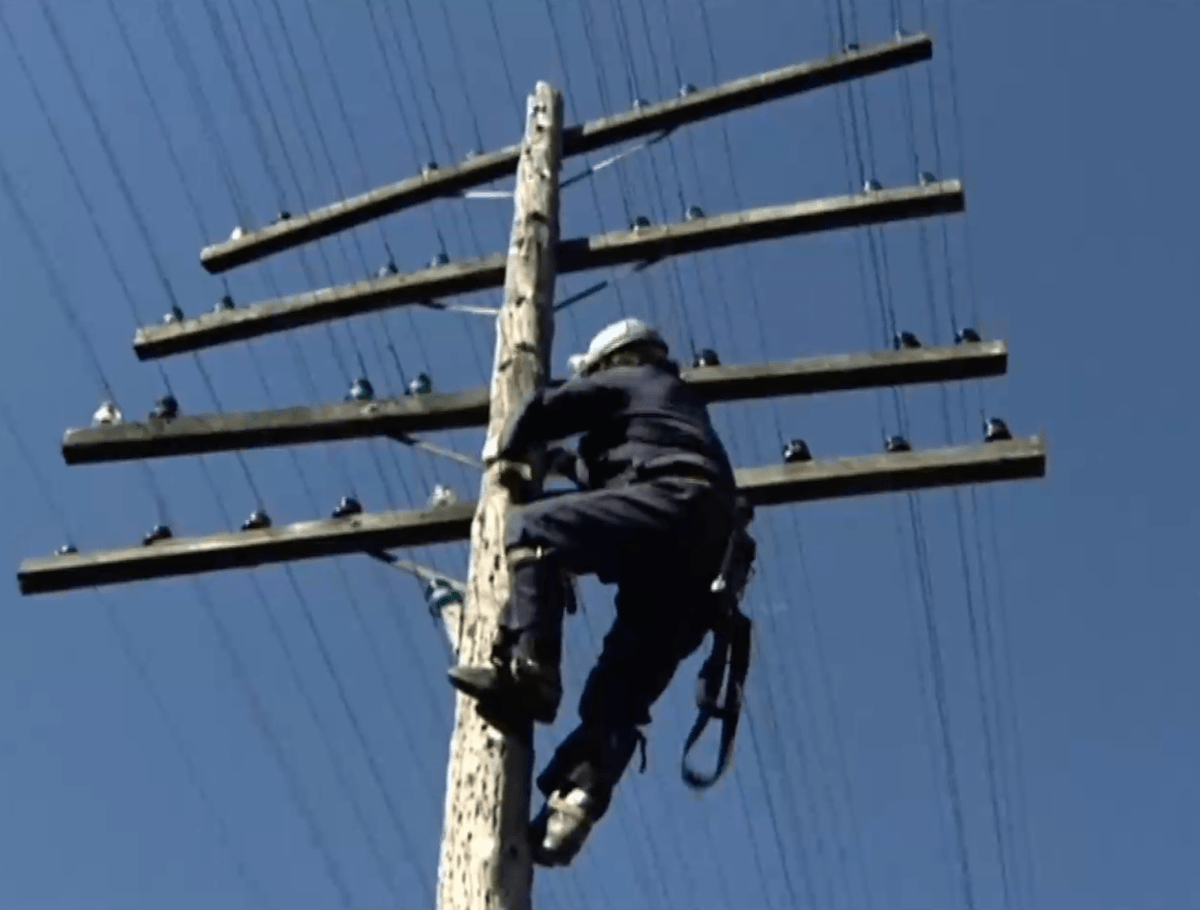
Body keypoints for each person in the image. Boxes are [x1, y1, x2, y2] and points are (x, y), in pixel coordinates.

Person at [447, 317, 746, 867]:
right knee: (617, 695)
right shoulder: (669, 409)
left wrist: (507, 448)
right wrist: (563, 462)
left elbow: (549, 408)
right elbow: (610, 473)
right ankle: (575, 805)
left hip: (673, 509)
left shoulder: (634, 379)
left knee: (533, 527)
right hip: (697, 569)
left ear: (614, 360)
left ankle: (531, 668)